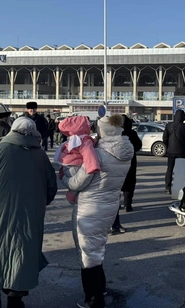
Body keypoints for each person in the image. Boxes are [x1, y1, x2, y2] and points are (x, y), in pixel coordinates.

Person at [0, 117, 57, 308]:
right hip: (29, 217)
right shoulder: (41, 155)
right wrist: (36, 204)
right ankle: (15, 298)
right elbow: (51, 189)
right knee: (22, 254)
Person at [61, 115, 134, 308]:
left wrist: (65, 178)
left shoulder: (99, 155)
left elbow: (78, 182)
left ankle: (93, 300)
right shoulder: (126, 150)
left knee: (87, 254)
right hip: (109, 205)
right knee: (96, 249)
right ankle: (100, 288)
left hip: (90, 208)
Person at [162, 110, 185, 195]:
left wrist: (168, 147)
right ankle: (181, 187)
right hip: (182, 151)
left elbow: (164, 139)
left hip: (171, 151)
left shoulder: (168, 126)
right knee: (181, 170)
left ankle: (167, 187)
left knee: (169, 170)